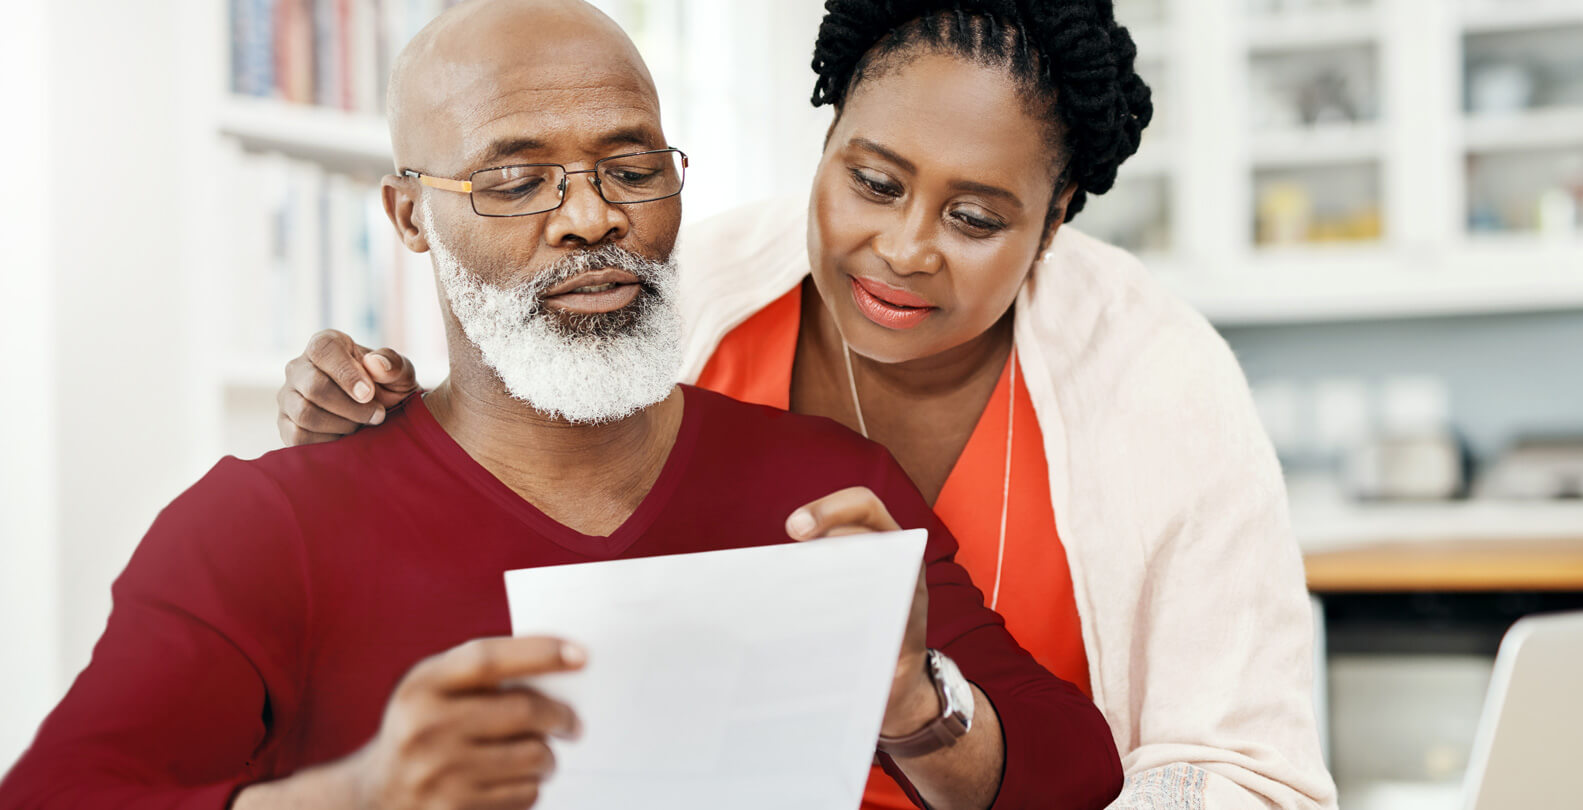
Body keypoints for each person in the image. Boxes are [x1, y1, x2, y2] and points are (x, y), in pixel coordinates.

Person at [0, 2, 1125, 808]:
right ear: (409, 216)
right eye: (513, 179)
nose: (590, 219)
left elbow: (1074, 770)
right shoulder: (259, 528)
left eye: (631, 169)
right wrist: (356, 800)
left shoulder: (829, 492)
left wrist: (913, 704)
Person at [278, 1, 1335, 808]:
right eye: (872, 182)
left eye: (974, 217)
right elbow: (492, 537)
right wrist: (369, 446)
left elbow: (1241, 772)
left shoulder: (1159, 381)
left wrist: (927, 714)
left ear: (1052, 222)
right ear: (826, 142)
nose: (904, 247)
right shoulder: (674, 298)